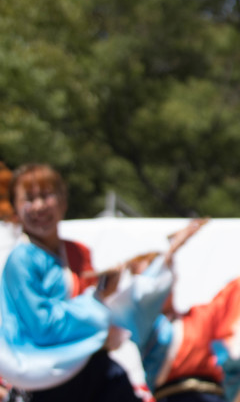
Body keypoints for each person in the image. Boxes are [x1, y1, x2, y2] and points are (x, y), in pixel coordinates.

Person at [114, 217, 240, 401]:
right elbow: (145, 294)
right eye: (153, 273)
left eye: (168, 268)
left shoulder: (200, 317)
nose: (161, 281)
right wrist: (173, 249)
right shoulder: (147, 325)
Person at [0, 163, 138, 401]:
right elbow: (43, 327)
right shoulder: (22, 258)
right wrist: (97, 305)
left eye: (46, 195)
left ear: (63, 201)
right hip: (47, 376)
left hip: (90, 366)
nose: (39, 206)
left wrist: (107, 293)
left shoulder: (78, 252)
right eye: (29, 199)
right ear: (15, 208)